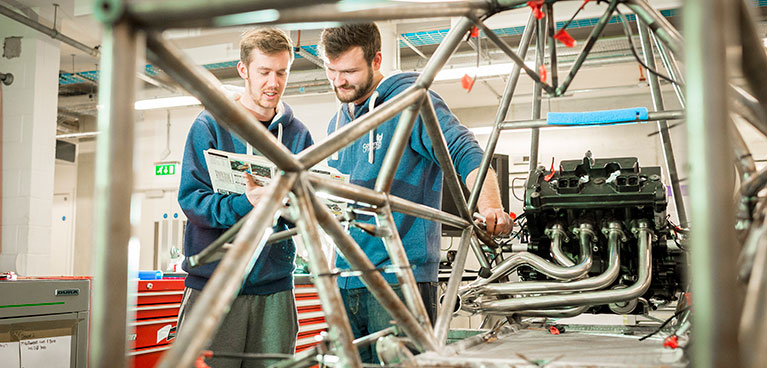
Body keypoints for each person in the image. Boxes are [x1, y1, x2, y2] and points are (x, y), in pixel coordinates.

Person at [319, 23, 512, 362]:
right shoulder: (337, 122)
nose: (339, 81)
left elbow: (463, 150)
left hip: (399, 278)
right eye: (331, 71)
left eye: (348, 71)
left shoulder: (411, 101)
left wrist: (492, 205)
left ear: (376, 60)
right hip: (346, 278)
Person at [177, 28, 313, 368]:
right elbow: (192, 200)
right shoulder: (210, 125)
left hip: (274, 287)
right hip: (214, 284)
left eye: (282, 72)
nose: (273, 83)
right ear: (244, 71)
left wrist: (296, 206)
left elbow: (307, 207)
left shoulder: (297, 135)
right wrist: (245, 203)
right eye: (264, 72)